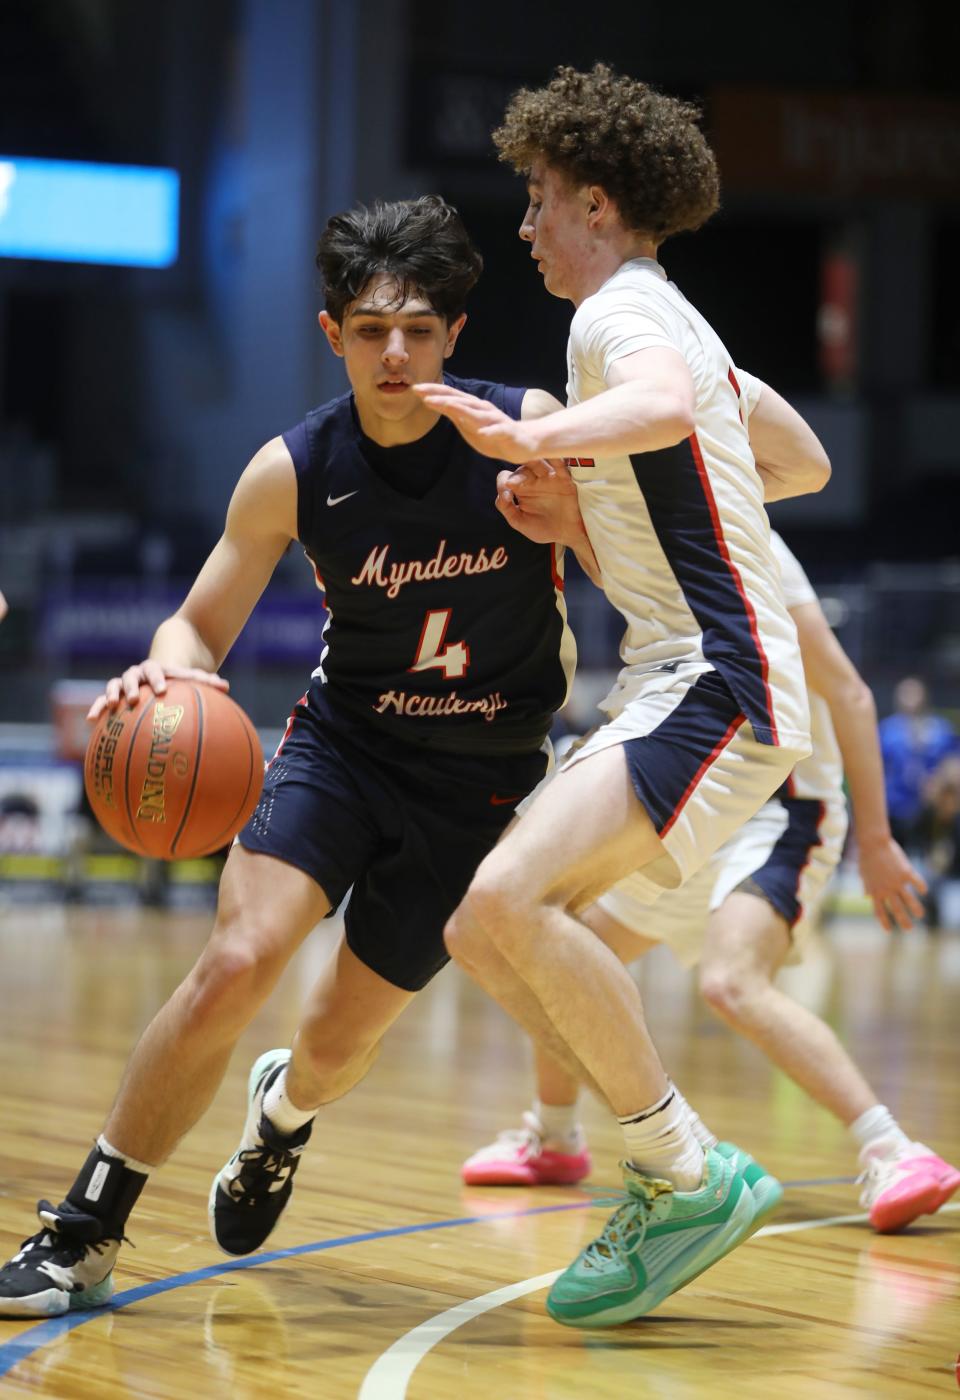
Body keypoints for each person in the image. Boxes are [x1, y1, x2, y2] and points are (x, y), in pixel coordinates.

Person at [0, 195, 597, 1320]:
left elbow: (634, 574)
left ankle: (280, 1116)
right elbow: (196, 623)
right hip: (345, 745)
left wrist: (570, 518)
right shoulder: (293, 467)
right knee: (238, 958)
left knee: (329, 1045)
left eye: (419, 328)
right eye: (371, 330)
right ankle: (79, 1231)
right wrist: (166, 672)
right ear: (334, 336)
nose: (397, 352)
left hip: (483, 777)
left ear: (455, 334)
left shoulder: (529, 424)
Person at [414, 63, 829, 1328]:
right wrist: (592, 502)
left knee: (496, 903)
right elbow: (800, 460)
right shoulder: (676, 323)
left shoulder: (617, 323)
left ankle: (684, 1169)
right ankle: (666, 1167)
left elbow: (654, 404)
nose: (526, 225)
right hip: (692, 672)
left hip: (715, 676)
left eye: (538, 199)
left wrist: (534, 441)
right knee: (517, 927)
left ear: (598, 203)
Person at [461, 528, 960, 1233]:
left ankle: (893, 1148)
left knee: (731, 982)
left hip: (781, 809)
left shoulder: (747, 541)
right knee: (553, 949)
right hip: (697, 802)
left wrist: (876, 840)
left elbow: (847, 693)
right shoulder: (640, 534)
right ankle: (554, 1134)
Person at [879, 677, 956, 850]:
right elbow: (876, 768)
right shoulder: (887, 730)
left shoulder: (940, 729)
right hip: (894, 807)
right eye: (905, 693)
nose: (910, 699)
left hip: (931, 809)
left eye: (914, 693)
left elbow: (952, 762)